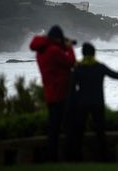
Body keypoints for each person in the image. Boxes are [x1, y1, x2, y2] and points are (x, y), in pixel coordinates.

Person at [71, 42, 118, 161]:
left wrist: (75, 100)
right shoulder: (99, 67)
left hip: (82, 103)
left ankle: (76, 158)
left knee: (79, 132)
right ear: (94, 53)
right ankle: (103, 157)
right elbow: (117, 76)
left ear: (82, 53)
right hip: (98, 103)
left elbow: (71, 88)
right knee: (100, 132)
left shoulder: (78, 68)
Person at [29, 25, 76, 161]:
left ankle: (52, 155)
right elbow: (71, 62)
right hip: (60, 92)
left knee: (54, 126)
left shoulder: (41, 51)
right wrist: (69, 47)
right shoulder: (54, 50)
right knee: (66, 126)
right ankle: (63, 156)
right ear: (57, 38)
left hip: (50, 91)